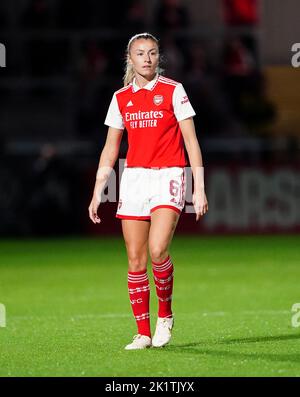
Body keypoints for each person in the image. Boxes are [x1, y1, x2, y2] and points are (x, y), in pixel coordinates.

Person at [88, 33, 208, 350]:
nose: (147, 58)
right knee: (135, 259)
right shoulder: (121, 98)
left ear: (158, 57)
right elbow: (110, 147)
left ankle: (165, 315)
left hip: (169, 175)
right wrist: (99, 188)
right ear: (131, 59)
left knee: (157, 250)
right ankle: (142, 332)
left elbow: (191, 141)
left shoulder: (173, 91)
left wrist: (199, 186)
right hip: (134, 179)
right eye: (140, 54)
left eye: (152, 53)